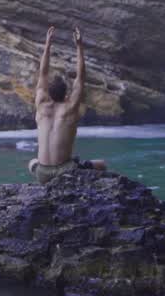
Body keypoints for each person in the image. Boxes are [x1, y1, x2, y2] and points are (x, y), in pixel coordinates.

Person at [27, 25, 107, 183]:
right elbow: (81, 78)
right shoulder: (70, 107)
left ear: (48, 93)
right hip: (66, 172)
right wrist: (79, 46)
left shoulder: (41, 105)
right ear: (66, 94)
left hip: (43, 173)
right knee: (101, 164)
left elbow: (43, 73)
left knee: (31, 162)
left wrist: (48, 45)